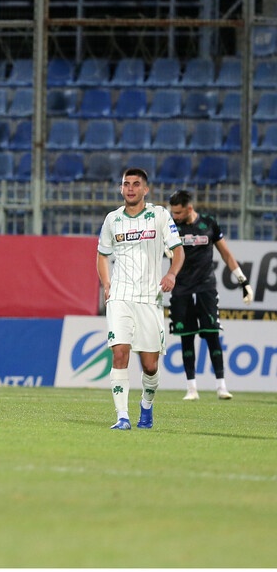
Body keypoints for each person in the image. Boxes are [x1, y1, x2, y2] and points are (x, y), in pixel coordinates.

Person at [96, 168, 184, 430]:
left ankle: (146, 405)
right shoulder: (113, 220)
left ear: (146, 190)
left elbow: (178, 251)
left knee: (150, 365)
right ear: (121, 189)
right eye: (126, 184)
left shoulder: (159, 216)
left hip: (149, 298)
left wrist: (171, 273)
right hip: (120, 296)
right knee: (119, 353)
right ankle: (122, 416)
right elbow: (102, 254)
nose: (131, 188)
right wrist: (107, 283)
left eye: (136, 184)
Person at [167, 190, 253, 401]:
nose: (175, 216)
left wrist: (243, 280)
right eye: (173, 212)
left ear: (189, 208)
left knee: (212, 335)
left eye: (178, 212)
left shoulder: (209, 224)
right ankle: (191, 388)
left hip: (205, 287)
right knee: (186, 337)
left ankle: (221, 386)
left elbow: (226, 253)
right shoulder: (170, 227)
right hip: (181, 288)